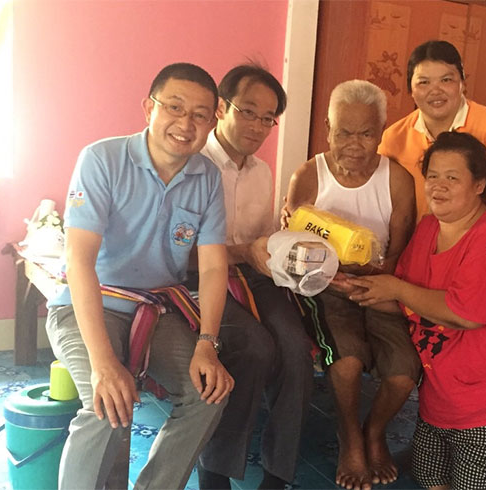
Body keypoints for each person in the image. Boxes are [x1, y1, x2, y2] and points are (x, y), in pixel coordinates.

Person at [45, 63, 232, 490]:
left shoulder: (207, 177)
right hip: (86, 304)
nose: (186, 123)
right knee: (105, 402)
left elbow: (213, 266)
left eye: (201, 114)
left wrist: (208, 345)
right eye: (175, 106)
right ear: (149, 107)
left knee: (207, 393)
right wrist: (103, 364)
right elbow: (79, 261)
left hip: (156, 309)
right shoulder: (101, 159)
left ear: (212, 122)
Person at [349, 132, 486, 489]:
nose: (438, 186)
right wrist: (356, 289)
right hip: (440, 393)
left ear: (479, 184)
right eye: (432, 176)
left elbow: (466, 313)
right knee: (430, 476)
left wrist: (395, 288)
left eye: (452, 177)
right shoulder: (430, 226)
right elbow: (405, 297)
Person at [286, 80, 419, 490]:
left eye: (366, 133)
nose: (354, 144)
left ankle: (374, 430)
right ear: (328, 129)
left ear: (381, 133)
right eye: (344, 132)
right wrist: (333, 279)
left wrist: (377, 287)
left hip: (380, 286)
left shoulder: (397, 179)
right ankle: (349, 436)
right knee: (346, 361)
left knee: (403, 372)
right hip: (324, 287)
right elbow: (293, 248)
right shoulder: (309, 176)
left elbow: (398, 250)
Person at [197, 64, 314, 490]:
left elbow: (261, 242)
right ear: (223, 108)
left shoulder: (263, 171)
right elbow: (186, 252)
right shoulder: (196, 164)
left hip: (251, 275)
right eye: (248, 111)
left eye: (268, 118)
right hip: (199, 278)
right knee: (253, 346)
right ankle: (215, 471)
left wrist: (285, 252)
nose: (259, 126)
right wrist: (245, 252)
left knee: (296, 349)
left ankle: (277, 474)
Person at [379, 40, 486, 266]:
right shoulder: (394, 138)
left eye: (446, 79)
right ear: (411, 90)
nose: (435, 90)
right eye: (424, 82)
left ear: (462, 83)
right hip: (413, 250)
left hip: (473, 250)